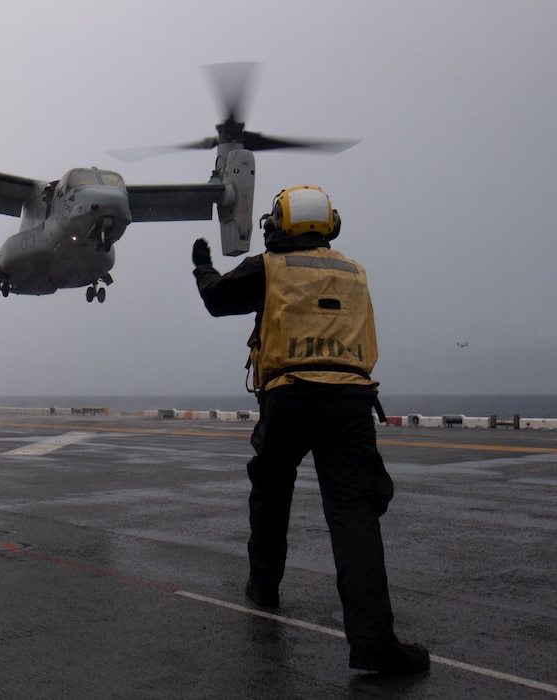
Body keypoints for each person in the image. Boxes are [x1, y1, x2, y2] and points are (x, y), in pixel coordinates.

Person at [191, 185, 429, 675]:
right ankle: (373, 641)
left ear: (278, 225)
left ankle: (264, 586)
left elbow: (217, 300)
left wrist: (202, 266)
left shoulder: (270, 268)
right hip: (349, 404)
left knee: (272, 493)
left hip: (288, 397)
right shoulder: (354, 272)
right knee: (354, 515)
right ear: (330, 226)